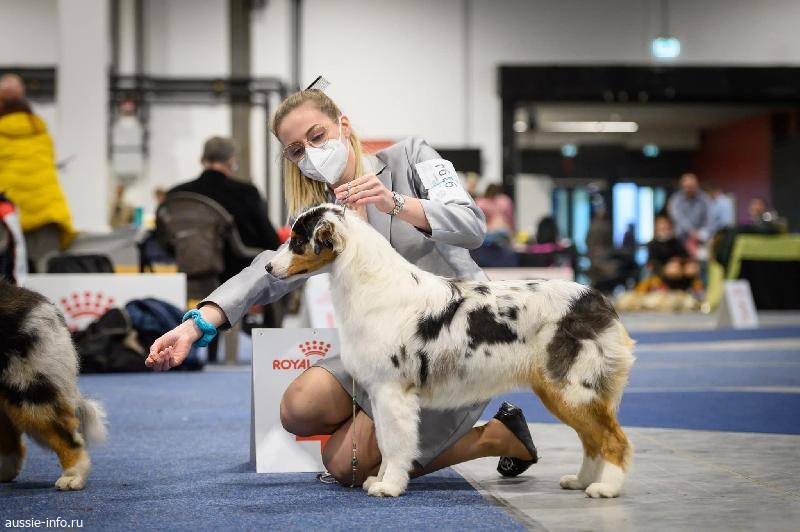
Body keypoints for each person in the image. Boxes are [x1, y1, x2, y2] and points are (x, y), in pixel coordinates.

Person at [145, 89, 537, 486]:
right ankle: (375, 435)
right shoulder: (320, 214)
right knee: (298, 407)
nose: (311, 153)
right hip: (381, 350)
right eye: (297, 150)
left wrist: (394, 202)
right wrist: (196, 324)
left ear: (343, 126)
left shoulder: (411, 156)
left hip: (454, 344)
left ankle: (497, 436)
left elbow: (472, 226)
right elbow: (268, 271)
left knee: (346, 466)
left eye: (317, 136)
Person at [166, 136, 280, 282]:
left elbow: (166, 241)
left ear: (202, 160)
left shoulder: (177, 194)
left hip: (192, 276)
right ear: (231, 161)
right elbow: (271, 241)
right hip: (239, 278)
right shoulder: (246, 193)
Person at [0, 73, 75, 272]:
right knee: (47, 271)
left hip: (8, 215)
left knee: (8, 274)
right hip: (46, 212)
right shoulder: (40, 132)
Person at [646, 213, 699, 291]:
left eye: (666, 226)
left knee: (691, 268)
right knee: (673, 270)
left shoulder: (676, 242)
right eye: (661, 226)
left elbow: (685, 256)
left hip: (680, 270)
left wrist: (681, 263)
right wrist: (665, 268)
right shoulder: (653, 245)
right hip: (663, 273)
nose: (664, 228)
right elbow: (652, 263)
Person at [667, 173, 711, 258]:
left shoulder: (704, 199)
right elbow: (678, 218)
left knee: (702, 258)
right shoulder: (676, 199)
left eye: (691, 186)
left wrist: (701, 234)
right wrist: (690, 231)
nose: (689, 189)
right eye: (686, 187)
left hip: (701, 237)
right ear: (682, 187)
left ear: (697, 185)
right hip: (681, 237)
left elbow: (709, 218)